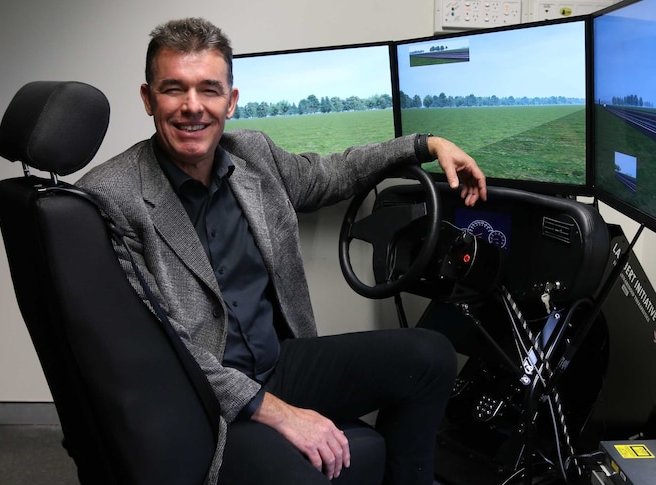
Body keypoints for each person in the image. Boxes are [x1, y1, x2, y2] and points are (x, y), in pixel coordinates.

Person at [76, 17, 487, 485]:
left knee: (430, 356)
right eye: (174, 89)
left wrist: (425, 144)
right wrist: (279, 414)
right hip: (204, 399)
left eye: (209, 90)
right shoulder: (111, 198)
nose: (193, 107)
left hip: (278, 365)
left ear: (231, 101)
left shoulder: (254, 154)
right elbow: (159, 347)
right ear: (149, 99)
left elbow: (334, 173)